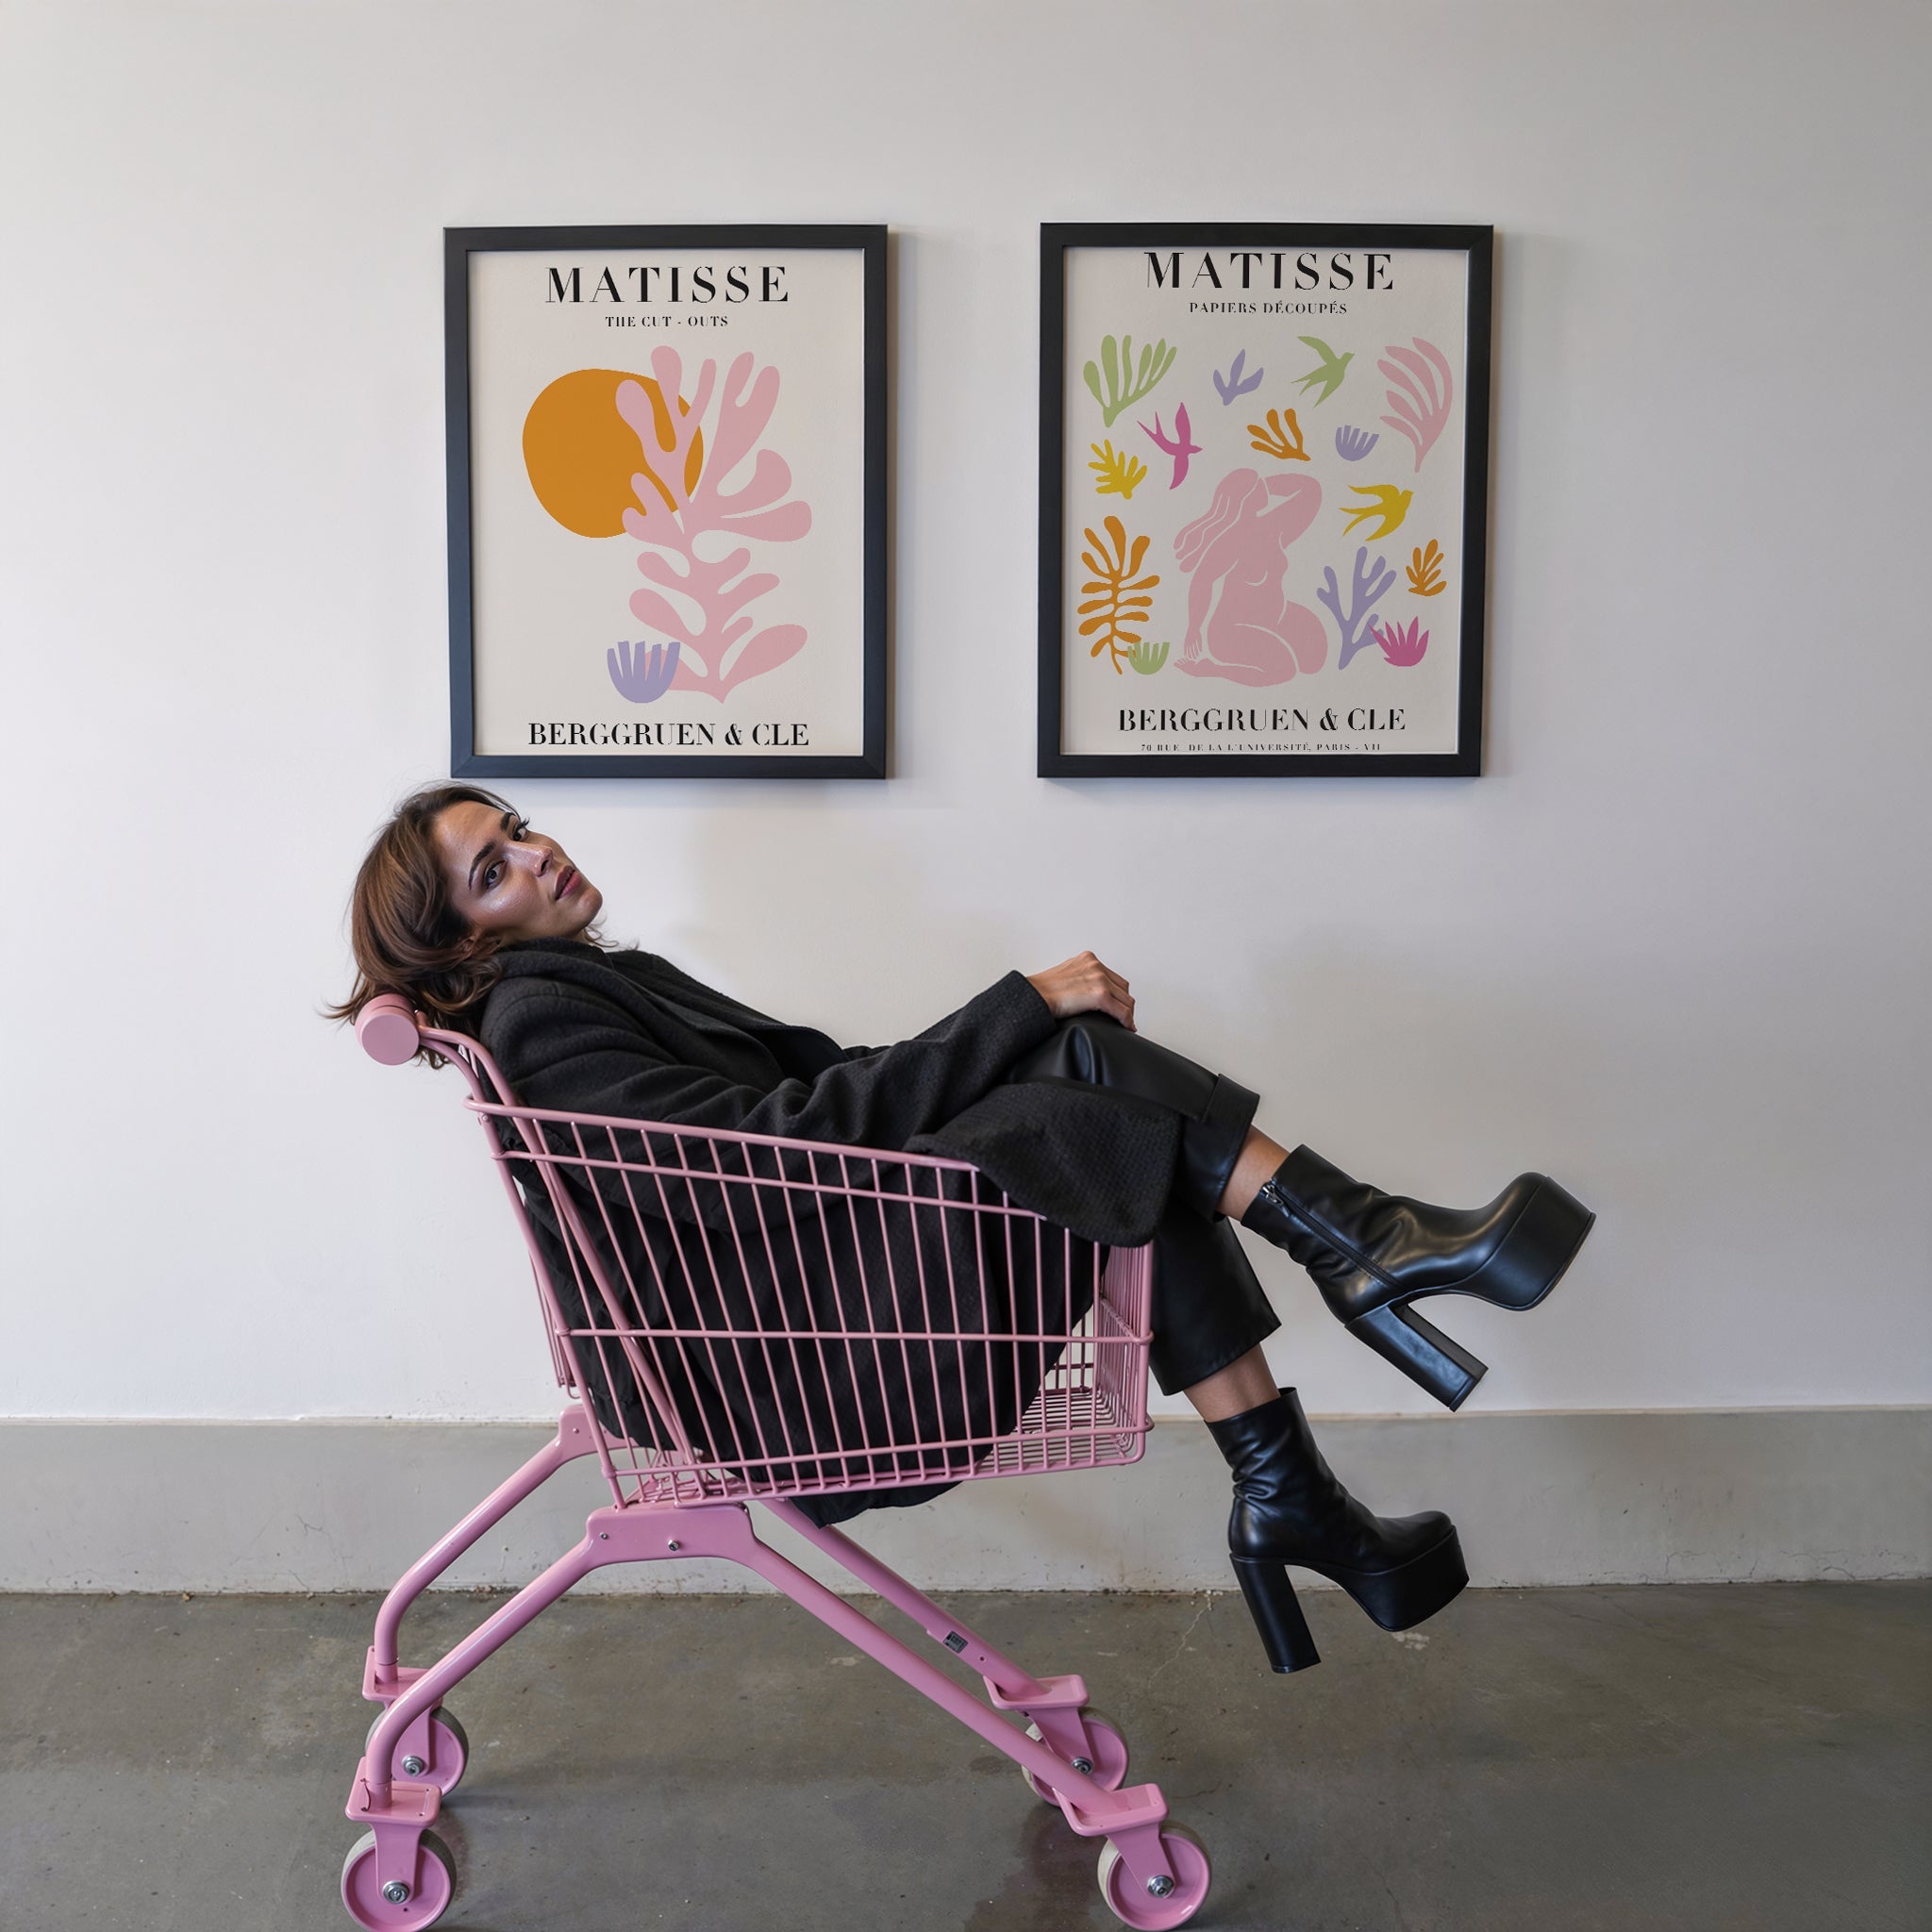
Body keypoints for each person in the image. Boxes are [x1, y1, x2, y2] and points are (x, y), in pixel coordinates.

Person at [333, 785, 1593, 1674]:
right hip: (795, 1375)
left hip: (816, 1314)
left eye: (515, 830)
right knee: (1091, 1099)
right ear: (457, 950)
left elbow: (826, 1084)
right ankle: (1361, 1269)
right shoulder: (543, 1021)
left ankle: (1300, 1454)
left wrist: (1023, 1020)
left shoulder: (594, 982)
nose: (535, 855)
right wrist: (1022, 1009)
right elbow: (772, 1152)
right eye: (492, 872)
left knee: (1099, 1109)